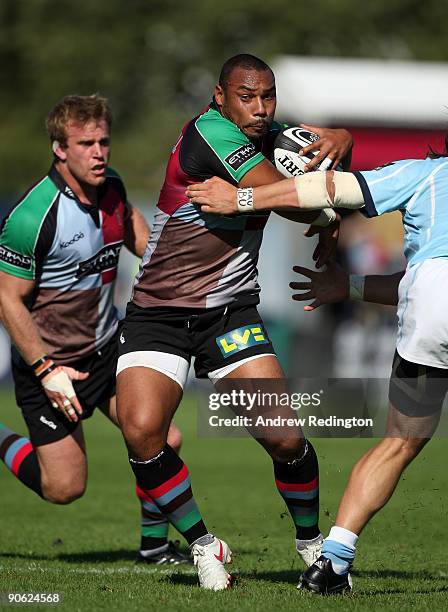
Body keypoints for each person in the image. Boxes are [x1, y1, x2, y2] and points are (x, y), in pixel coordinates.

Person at [116, 53, 353, 590]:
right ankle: (203, 547)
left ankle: (312, 543)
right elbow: (291, 199)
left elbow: (324, 155)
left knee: (285, 439)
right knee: (142, 432)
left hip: (229, 314)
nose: (261, 108)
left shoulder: (270, 135)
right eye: (248, 97)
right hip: (159, 312)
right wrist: (320, 210)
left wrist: (341, 135)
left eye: (268, 97)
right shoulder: (211, 133)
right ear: (220, 96)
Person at [187, 136, 448, 593]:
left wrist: (239, 197)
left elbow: (327, 189)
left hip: (433, 305)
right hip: (431, 293)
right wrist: (348, 287)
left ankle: (333, 562)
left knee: (398, 443)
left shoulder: (428, 173)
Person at [0, 94, 187, 565]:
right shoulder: (30, 217)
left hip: (106, 349)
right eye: (86, 143)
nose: (100, 152)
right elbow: (8, 301)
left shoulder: (112, 188)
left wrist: (180, 267)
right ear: (60, 149)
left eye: (104, 141)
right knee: (64, 489)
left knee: (164, 438)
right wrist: (46, 369)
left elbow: (140, 238)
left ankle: (155, 548)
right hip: (51, 365)